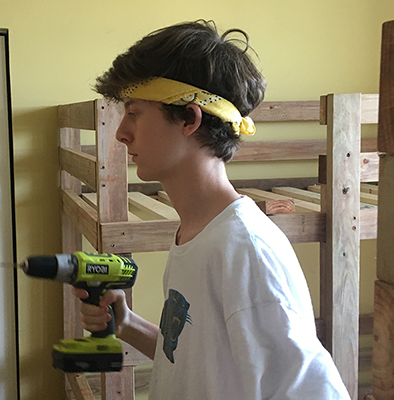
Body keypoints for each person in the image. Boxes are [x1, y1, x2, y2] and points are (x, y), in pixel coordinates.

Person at [72, 20, 350, 399]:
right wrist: (127, 323)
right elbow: (191, 358)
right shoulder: (196, 233)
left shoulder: (245, 251)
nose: (121, 132)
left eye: (134, 112)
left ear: (189, 118)